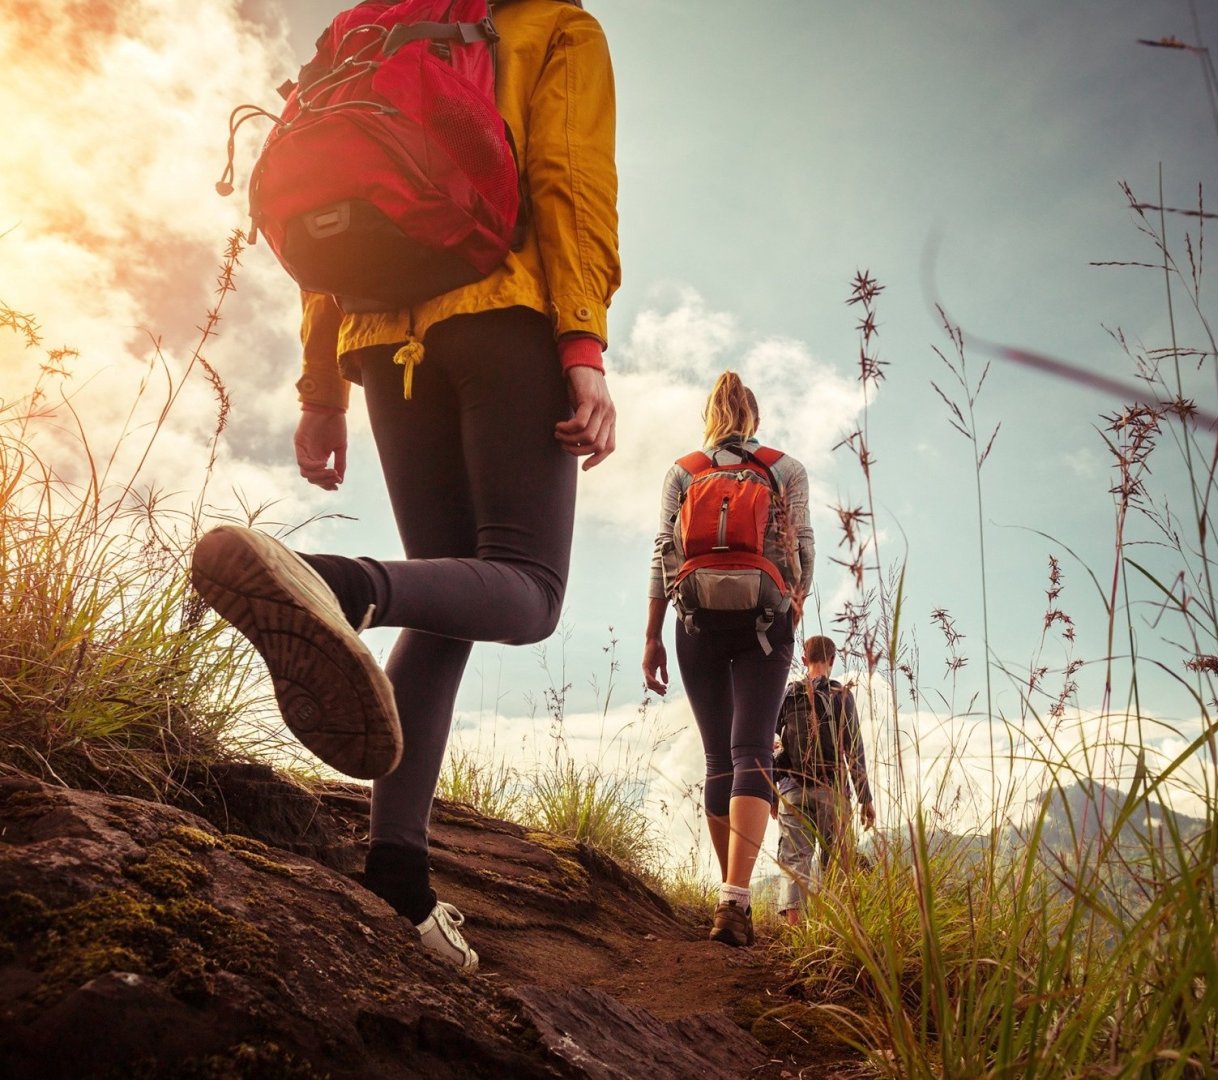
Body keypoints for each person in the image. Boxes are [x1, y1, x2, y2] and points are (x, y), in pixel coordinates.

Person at [190, 0, 619, 970]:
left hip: (379, 336)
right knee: (528, 588)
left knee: (447, 600)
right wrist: (582, 345)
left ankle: (396, 875)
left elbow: (326, 212)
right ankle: (337, 587)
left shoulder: (371, 29)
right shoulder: (555, 25)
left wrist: (320, 387)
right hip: (502, 314)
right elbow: (569, 182)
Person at [642, 371, 814, 947]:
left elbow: (662, 554)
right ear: (755, 418)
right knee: (752, 751)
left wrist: (653, 636)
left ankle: (728, 895)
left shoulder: (684, 471)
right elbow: (804, 549)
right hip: (767, 623)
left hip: (696, 623)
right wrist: (792, 608)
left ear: (709, 418)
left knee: (720, 757)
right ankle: (736, 897)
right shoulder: (784, 468)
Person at [771, 635, 875, 925]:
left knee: (795, 861)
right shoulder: (841, 694)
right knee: (836, 863)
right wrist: (865, 798)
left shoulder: (788, 694)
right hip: (833, 790)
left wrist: (770, 793)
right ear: (832, 659)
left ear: (803, 660)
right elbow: (854, 749)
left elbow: (770, 742)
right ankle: (832, 932)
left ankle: (795, 932)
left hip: (792, 789)